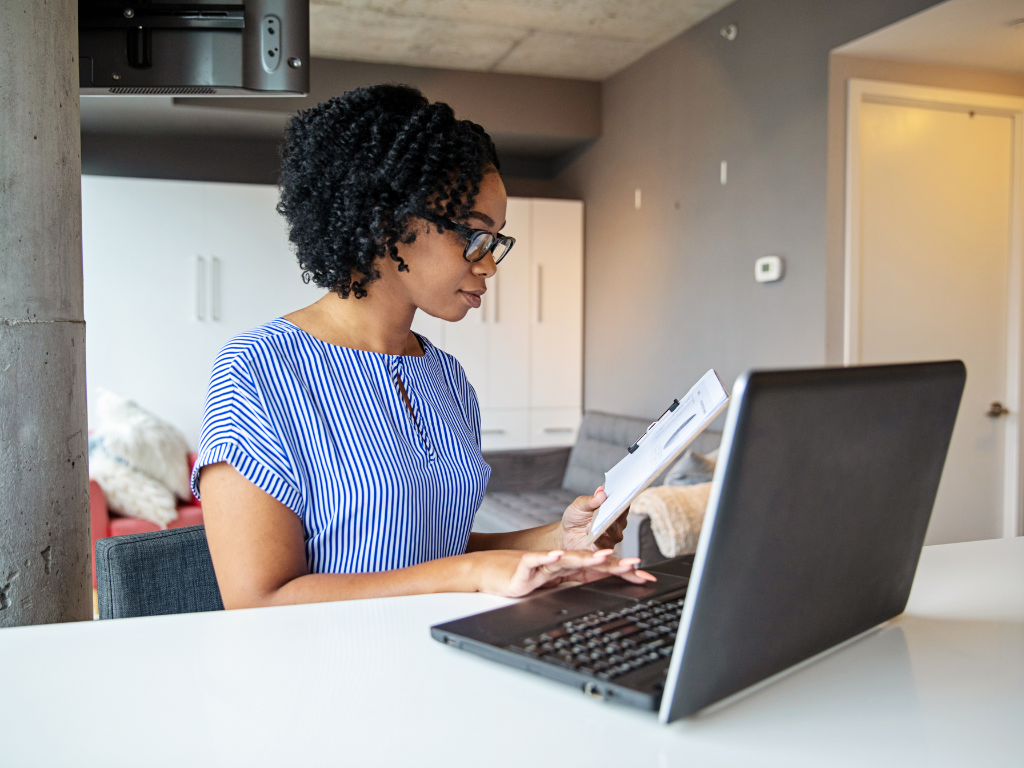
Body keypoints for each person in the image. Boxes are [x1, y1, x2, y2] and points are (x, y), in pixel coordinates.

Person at [193, 84, 653, 609]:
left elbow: (434, 554)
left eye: (497, 240)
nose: (490, 264)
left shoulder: (447, 379)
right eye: (474, 236)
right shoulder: (258, 369)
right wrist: (474, 572)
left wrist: (557, 540)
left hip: (446, 650)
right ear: (388, 221)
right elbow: (257, 600)